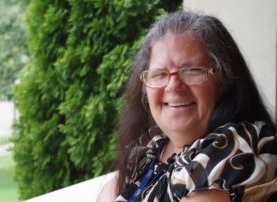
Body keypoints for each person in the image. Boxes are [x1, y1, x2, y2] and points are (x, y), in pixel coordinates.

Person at [97, 11, 277, 202]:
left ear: (224, 79)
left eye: (192, 70)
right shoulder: (152, 149)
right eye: (159, 74)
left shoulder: (238, 149)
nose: (173, 85)